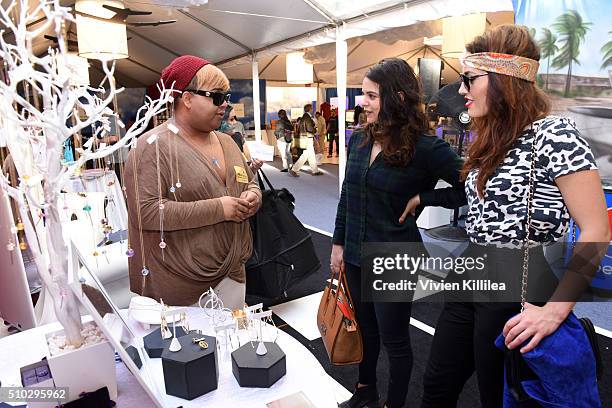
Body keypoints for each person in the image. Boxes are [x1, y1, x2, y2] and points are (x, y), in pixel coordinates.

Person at [418, 25, 609, 407]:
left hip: (520, 276)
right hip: (471, 268)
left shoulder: (554, 134)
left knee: (500, 396)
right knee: (436, 385)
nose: (461, 90)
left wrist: (555, 311)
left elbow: (597, 227)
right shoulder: (490, 137)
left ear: (505, 80)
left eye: (470, 78)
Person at [331, 58, 466, 408]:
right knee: (365, 330)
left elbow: (472, 187)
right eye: (363, 95)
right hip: (358, 254)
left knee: (395, 341)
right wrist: (338, 243)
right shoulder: (359, 140)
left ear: (398, 98)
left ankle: (393, 403)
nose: (363, 103)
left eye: (372, 96)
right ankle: (365, 392)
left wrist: (426, 196)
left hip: (395, 258)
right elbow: (348, 194)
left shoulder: (427, 147)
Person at [124, 55, 262, 310]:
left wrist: (253, 196)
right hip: (182, 287)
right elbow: (146, 213)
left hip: (234, 272)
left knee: (233, 345)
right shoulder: (152, 148)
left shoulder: (227, 141)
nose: (225, 106)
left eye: (227, 98)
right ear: (186, 98)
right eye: (217, 97)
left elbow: (249, 182)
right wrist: (219, 209)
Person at [291, 104, 321, 176]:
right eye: (311, 109)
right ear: (310, 109)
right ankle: (294, 169)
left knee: (310, 155)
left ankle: (315, 170)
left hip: (305, 137)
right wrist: (315, 130)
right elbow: (310, 128)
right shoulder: (307, 117)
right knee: (306, 155)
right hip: (308, 138)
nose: (312, 110)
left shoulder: (304, 117)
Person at [274, 109, 296, 175]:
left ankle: (285, 167)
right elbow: (292, 128)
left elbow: (277, 131)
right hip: (288, 139)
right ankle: (291, 165)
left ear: (280, 115)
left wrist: (276, 134)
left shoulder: (279, 122)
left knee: (283, 154)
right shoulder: (288, 121)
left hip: (281, 139)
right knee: (288, 153)